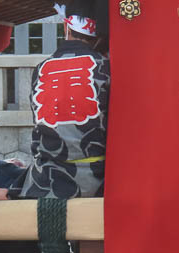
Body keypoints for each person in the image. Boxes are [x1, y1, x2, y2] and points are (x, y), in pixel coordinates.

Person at [8, 9, 109, 200]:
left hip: (45, 182)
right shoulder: (106, 67)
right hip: (98, 181)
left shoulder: (41, 69)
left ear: (66, 27)